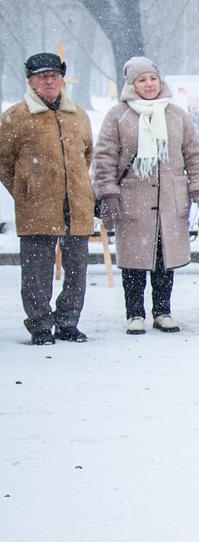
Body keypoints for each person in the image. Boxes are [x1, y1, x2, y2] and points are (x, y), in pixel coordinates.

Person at [93, 56, 199, 334]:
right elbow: (104, 156)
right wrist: (108, 192)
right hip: (133, 198)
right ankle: (134, 313)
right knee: (133, 259)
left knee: (163, 257)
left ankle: (162, 311)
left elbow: (193, 154)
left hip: (169, 198)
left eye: (152, 78)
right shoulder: (118, 115)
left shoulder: (176, 114)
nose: (149, 84)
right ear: (132, 85)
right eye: (142, 80)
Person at [0, 53, 95, 345]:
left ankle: (68, 321)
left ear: (62, 79)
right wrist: (26, 189)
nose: (50, 81)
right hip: (36, 207)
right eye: (42, 76)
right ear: (31, 81)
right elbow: (4, 162)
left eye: (54, 75)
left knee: (77, 269)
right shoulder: (15, 116)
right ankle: (40, 325)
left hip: (76, 205)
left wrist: (73, 185)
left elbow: (87, 154)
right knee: (36, 272)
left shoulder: (78, 114)